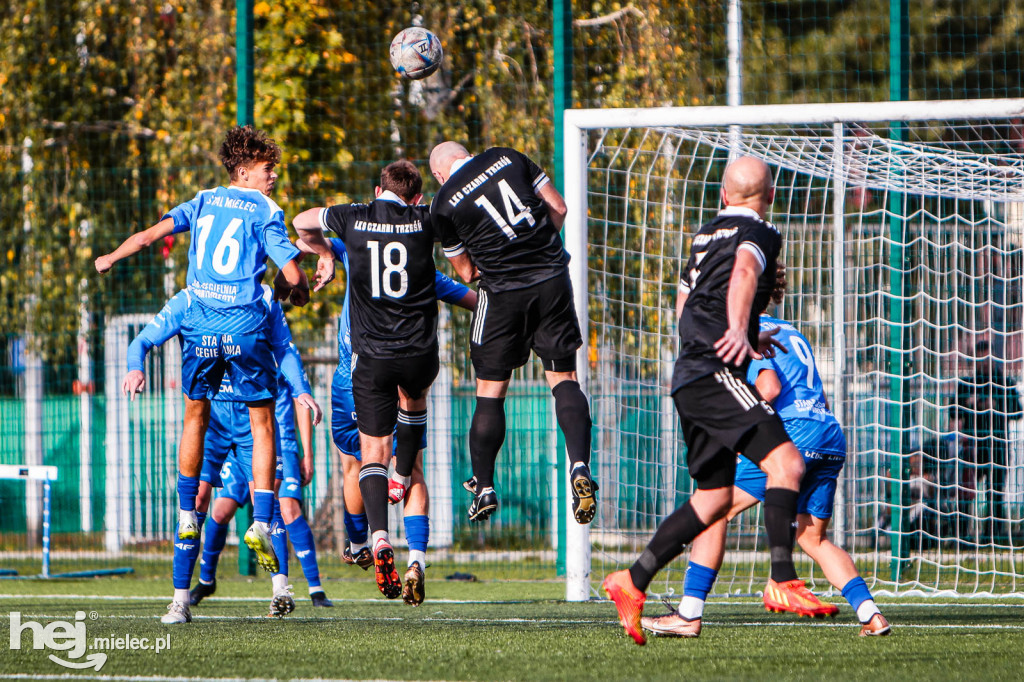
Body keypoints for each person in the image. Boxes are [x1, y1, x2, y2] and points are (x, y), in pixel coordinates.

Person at [602, 156, 831, 645]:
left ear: (724, 196)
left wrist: (745, 333)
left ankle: (632, 580)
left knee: (713, 498)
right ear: (769, 198)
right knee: (787, 464)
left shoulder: (704, 236)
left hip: (690, 374)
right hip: (711, 372)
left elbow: (685, 304)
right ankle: (781, 579)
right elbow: (746, 271)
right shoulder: (763, 233)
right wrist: (734, 328)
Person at [96, 126, 317, 603]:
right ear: (244, 171)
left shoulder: (200, 201)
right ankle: (260, 519)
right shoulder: (266, 210)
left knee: (193, 412)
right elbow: (292, 271)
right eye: (266, 168)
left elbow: (151, 235)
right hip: (243, 322)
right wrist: (297, 289)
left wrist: (110, 257)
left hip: (198, 318)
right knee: (263, 425)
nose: (273, 174)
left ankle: (184, 514)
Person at [640, 311, 890, 639]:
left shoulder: (749, 329)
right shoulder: (790, 329)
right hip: (827, 433)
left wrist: (742, 432)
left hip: (795, 434)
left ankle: (689, 614)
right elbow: (815, 394)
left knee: (714, 509)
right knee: (813, 538)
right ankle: (870, 614)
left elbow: (768, 387)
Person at [123, 285, 325, 621]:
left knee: (269, 501)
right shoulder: (191, 299)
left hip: (250, 423)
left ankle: (280, 589)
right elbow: (142, 340)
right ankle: (181, 599)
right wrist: (135, 365)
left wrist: (301, 390)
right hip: (214, 422)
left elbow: (286, 349)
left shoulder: (262, 298)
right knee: (199, 502)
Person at [293, 159, 442, 599]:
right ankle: (416, 556)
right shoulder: (425, 217)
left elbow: (301, 223)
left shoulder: (353, 216)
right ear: (414, 197)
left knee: (366, 457)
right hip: (416, 354)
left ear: (379, 191)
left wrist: (323, 251)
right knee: (413, 444)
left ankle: (377, 540)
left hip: (370, 359)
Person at [427, 141, 597, 525]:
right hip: (552, 279)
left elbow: (467, 273)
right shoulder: (508, 156)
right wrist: (537, 252)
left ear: (439, 173)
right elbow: (560, 207)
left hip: (502, 294)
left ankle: (484, 485)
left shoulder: (443, 202)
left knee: (490, 391)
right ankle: (580, 466)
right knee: (564, 378)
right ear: (467, 153)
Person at [306, 234, 475, 605]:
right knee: (412, 470)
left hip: (352, 380)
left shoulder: (357, 247)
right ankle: (416, 560)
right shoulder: (425, 272)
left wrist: (322, 255)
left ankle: (361, 543)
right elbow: (473, 300)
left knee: (357, 466)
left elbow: (304, 235)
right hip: (403, 382)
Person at [949, 340, 1022, 543]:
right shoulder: (967, 384)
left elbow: (1017, 411)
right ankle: (961, 535)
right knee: (965, 491)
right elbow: (953, 412)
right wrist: (968, 404)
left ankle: (993, 536)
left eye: (986, 358)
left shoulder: (1004, 383)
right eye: (979, 359)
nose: (983, 364)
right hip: (973, 446)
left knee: (995, 492)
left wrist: (996, 404)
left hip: (998, 444)